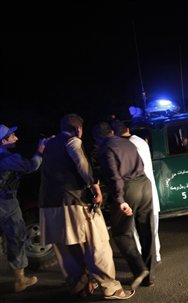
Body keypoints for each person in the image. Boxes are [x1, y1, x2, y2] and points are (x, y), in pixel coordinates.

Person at [38, 114, 134, 300]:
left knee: (67, 249)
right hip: (74, 202)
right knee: (97, 245)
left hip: (48, 204)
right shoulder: (73, 141)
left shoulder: (48, 144)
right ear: (78, 129)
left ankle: (79, 287)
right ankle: (110, 288)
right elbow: (81, 164)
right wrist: (95, 186)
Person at [93, 121, 155, 289]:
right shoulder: (126, 142)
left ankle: (139, 270)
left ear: (97, 139)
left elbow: (114, 176)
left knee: (120, 233)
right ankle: (148, 276)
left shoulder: (106, 149)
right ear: (112, 131)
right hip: (145, 184)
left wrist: (120, 200)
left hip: (129, 189)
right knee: (146, 230)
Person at [0, 124, 44, 293]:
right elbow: (31, 166)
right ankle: (20, 280)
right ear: (3, 141)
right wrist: (40, 150)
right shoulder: (6, 157)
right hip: (6, 203)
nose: (16, 138)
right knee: (16, 237)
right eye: (12, 136)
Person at [110, 119, 161, 264]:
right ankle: (155, 255)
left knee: (135, 229)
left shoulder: (126, 145)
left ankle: (142, 261)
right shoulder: (140, 141)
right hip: (148, 189)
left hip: (135, 189)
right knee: (151, 228)